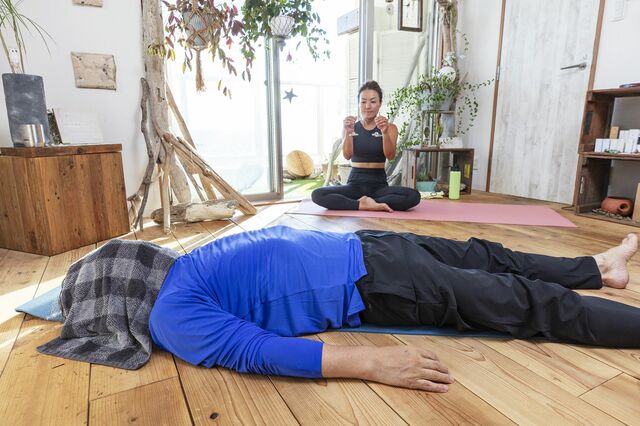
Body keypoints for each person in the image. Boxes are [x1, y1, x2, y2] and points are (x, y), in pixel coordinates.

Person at [40, 226, 640, 393]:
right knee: (517, 302)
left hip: (364, 244)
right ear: (118, 291)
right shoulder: (171, 316)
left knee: (485, 254)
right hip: (370, 282)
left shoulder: (179, 269)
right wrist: (372, 364)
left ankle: (598, 268)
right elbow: (255, 352)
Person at [311, 81, 420, 212]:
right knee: (318, 194)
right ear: (359, 104)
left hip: (379, 185)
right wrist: (348, 132)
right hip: (355, 183)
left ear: (380, 103)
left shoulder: (390, 127)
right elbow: (347, 155)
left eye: (373, 102)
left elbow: (390, 156)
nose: (368, 106)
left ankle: (368, 203)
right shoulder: (350, 127)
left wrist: (384, 132)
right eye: (363, 102)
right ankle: (362, 204)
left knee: (413, 196)